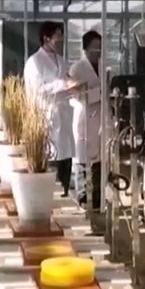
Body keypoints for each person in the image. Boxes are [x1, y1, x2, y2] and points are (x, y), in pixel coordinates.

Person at [22, 21, 77, 196]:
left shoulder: (60, 60)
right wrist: (63, 84)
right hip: (46, 115)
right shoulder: (35, 62)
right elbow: (37, 88)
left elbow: (67, 78)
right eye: (57, 37)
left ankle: (65, 194)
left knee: (65, 160)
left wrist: (73, 86)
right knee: (51, 160)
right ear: (46, 38)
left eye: (61, 37)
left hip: (63, 114)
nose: (60, 40)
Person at [68, 30, 104, 210]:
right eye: (94, 48)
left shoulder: (104, 66)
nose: (98, 51)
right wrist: (99, 93)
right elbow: (77, 95)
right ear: (86, 48)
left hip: (101, 118)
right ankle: (83, 195)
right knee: (83, 158)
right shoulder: (77, 69)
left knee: (99, 158)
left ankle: (97, 196)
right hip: (85, 118)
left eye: (100, 47)